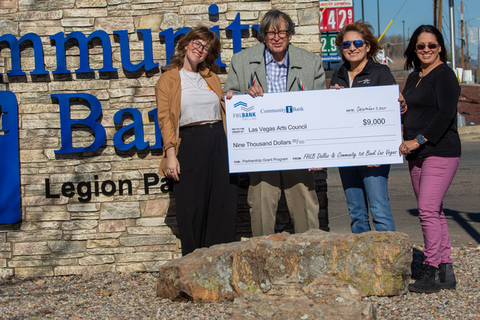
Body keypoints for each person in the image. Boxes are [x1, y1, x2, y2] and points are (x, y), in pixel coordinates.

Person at [224, 10, 325, 237]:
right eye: (271, 32)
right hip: (262, 149)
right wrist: (244, 96)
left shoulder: (310, 62)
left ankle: (310, 258)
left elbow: (321, 106)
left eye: (282, 32)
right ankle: (263, 261)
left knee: (305, 206)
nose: (276, 37)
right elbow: (229, 96)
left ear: (290, 35)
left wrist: (319, 151)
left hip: (299, 147)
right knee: (260, 206)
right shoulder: (241, 61)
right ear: (263, 36)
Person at [155, 26, 238, 256]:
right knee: (192, 207)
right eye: (197, 43)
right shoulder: (168, 79)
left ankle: (220, 260)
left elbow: (222, 108)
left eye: (206, 48)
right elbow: (165, 119)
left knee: (222, 202)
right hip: (190, 143)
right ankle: (193, 263)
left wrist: (231, 100)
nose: (200, 50)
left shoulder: (211, 77)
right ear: (185, 44)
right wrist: (171, 154)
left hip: (218, 142)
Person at [399, 25, 461, 293]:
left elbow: (445, 114)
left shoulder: (445, 75)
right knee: (434, 211)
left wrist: (419, 140)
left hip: (440, 150)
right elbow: (415, 112)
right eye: (421, 46)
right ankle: (446, 270)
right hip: (416, 154)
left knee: (426, 210)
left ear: (440, 48)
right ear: (414, 48)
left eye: (432, 46)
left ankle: (431, 269)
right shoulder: (414, 77)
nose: (426, 50)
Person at [330, 21, 396, 234]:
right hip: (346, 154)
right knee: (356, 212)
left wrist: (382, 150)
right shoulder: (338, 74)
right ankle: (365, 264)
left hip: (373, 154)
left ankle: (392, 263)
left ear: (368, 46)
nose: (352, 47)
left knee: (379, 210)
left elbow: (391, 116)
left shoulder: (381, 73)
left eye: (357, 42)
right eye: (346, 44)